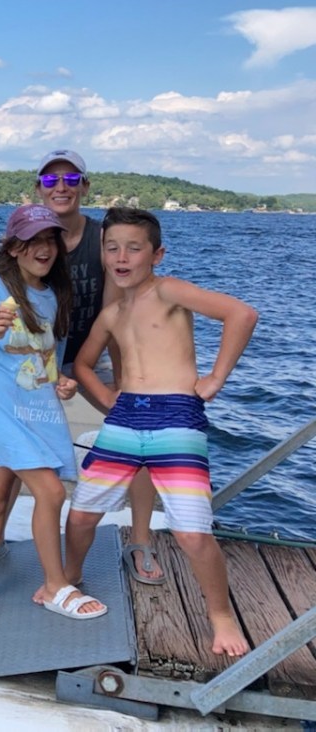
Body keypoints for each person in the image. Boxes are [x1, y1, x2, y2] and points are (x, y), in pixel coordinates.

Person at [65, 207, 257, 655]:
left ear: (157, 253)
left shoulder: (168, 290)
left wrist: (215, 378)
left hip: (177, 418)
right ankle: (71, 578)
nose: (121, 256)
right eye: (112, 247)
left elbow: (241, 314)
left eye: (134, 247)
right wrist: (108, 399)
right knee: (81, 514)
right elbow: (83, 364)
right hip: (126, 416)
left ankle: (221, 617)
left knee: (192, 533)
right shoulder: (112, 313)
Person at [0, 204, 105, 623]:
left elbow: (45, 360)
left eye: (50, 239)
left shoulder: (53, 297)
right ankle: (55, 584)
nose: (44, 248)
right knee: (50, 491)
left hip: (32, 407)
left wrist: (60, 382)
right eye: (33, 240)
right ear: (14, 247)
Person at [35, 149, 161, 583]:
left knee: (138, 430)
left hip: (96, 350)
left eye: (71, 179)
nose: (61, 187)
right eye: (51, 181)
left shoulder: (101, 237)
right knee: (16, 443)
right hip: (39, 355)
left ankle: (140, 538)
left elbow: (113, 309)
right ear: (38, 189)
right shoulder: (34, 234)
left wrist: (87, 370)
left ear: (85, 186)